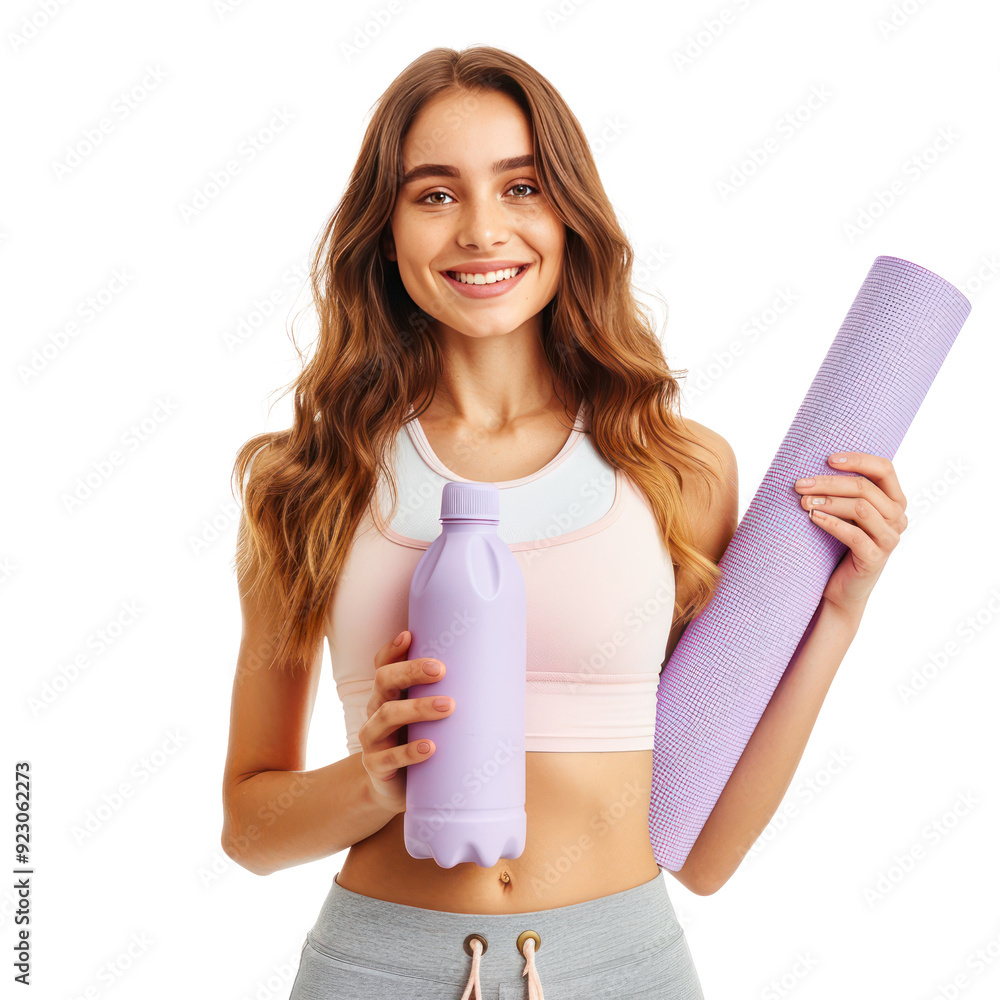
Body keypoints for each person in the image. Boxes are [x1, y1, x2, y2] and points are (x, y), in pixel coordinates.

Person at [220, 45, 908, 999]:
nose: (482, 230)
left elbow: (703, 852)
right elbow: (249, 832)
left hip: (622, 965)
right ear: (383, 232)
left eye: (522, 186)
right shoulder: (308, 483)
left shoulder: (674, 468)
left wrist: (837, 611)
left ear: (569, 214)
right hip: (378, 966)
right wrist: (369, 782)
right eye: (435, 194)